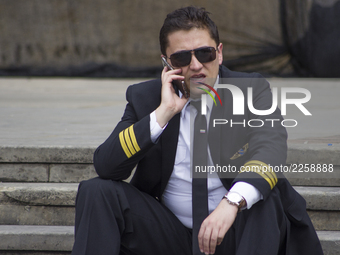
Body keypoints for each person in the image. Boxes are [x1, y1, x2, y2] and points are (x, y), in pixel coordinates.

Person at [71, 6, 323, 255]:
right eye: (182, 58)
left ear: (220, 53)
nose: (196, 65)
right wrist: (163, 113)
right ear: (166, 64)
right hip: (173, 235)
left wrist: (231, 204)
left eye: (205, 53)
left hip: (238, 232)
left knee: (264, 195)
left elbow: (271, 151)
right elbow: (106, 165)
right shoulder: (146, 98)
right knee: (96, 191)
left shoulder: (250, 90)